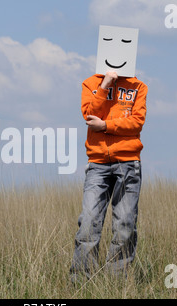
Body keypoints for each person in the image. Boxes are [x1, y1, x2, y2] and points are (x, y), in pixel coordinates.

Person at [70, 70, 147, 282]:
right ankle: (81, 283)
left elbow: (137, 123)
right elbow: (89, 115)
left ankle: (117, 283)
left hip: (129, 163)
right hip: (97, 164)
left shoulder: (138, 86)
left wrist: (105, 126)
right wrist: (105, 84)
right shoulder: (90, 83)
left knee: (125, 225)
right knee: (88, 222)